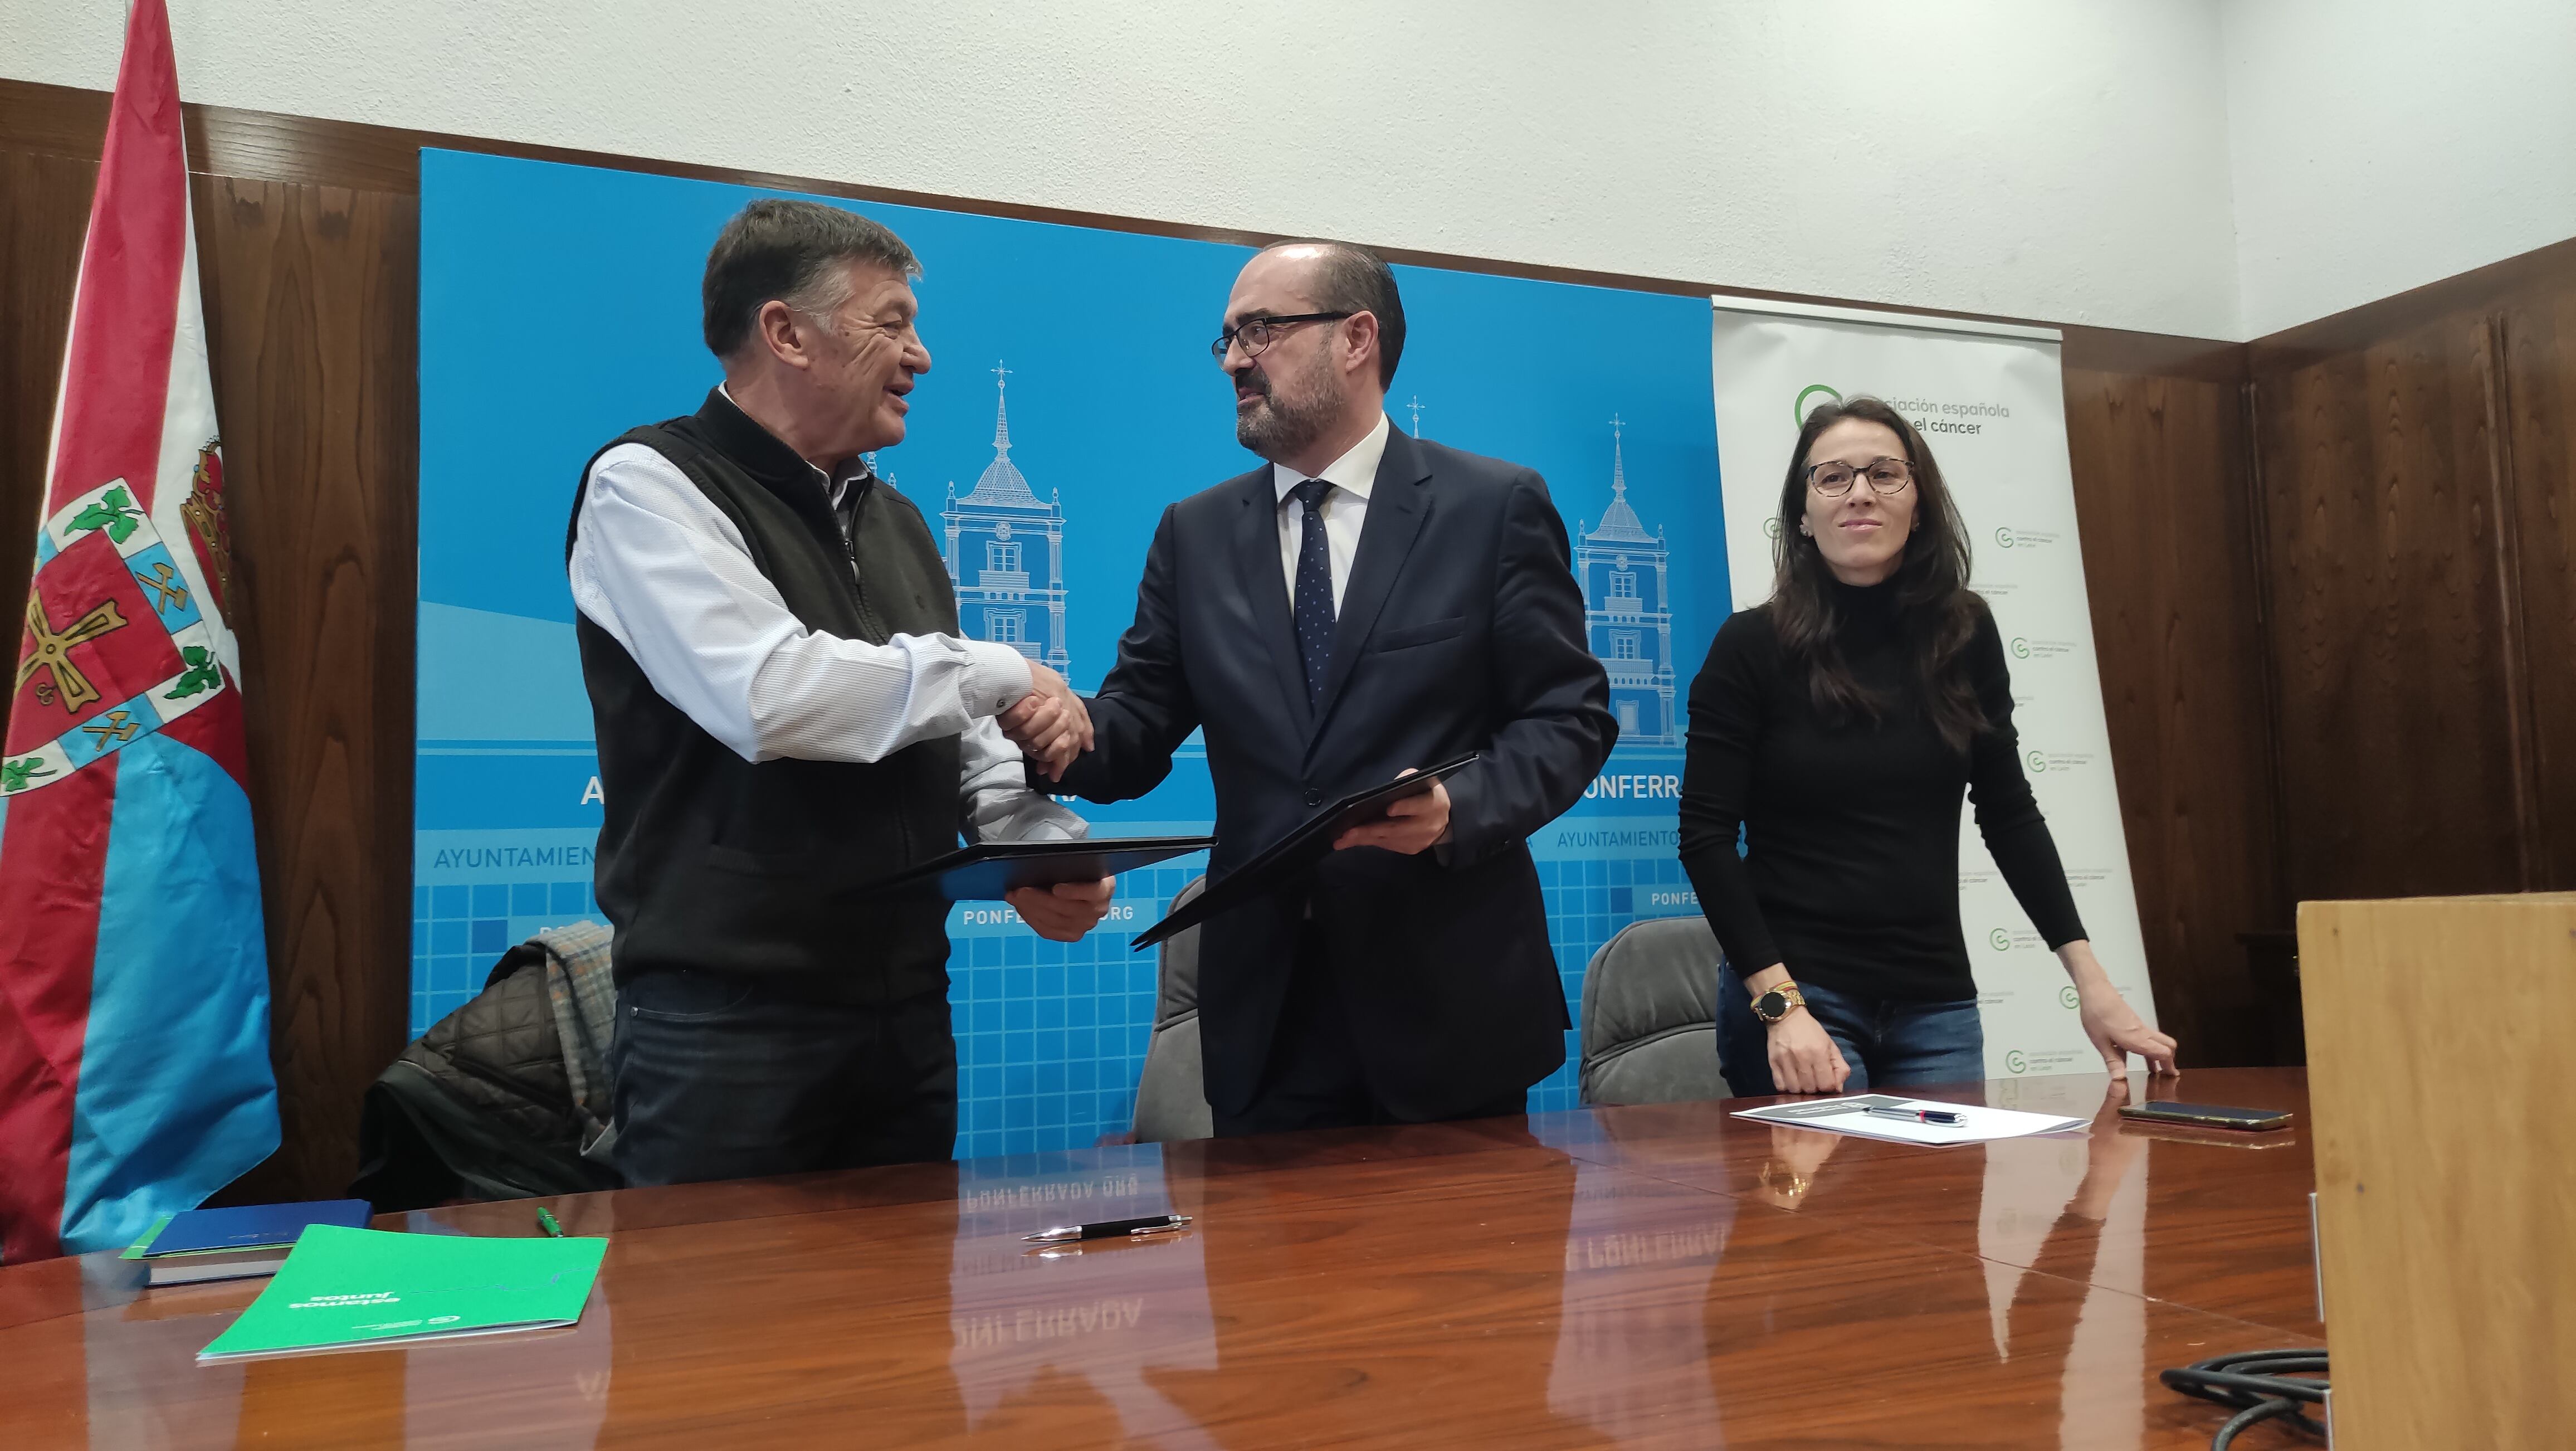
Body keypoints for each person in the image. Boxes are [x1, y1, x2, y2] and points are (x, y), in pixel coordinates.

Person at [566, 198, 1113, 1185]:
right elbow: (769, 691)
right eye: (892, 322)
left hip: (904, 1014)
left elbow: (967, 747)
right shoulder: (646, 486)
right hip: (725, 1030)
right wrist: (1003, 670)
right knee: (717, 1331)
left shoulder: (897, 517)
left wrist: (1034, 849)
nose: (923, 355)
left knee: (903, 1331)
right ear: (786, 332)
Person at [1053, 240, 1617, 1134]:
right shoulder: (1193, 535)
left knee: (1466, 1279)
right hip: (1268, 1020)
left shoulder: (1492, 506)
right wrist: (1052, 726)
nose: (1236, 358)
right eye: (1228, 338)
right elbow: (1136, 728)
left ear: (1357, 339)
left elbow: (1569, 717)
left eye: (1262, 330)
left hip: (1449, 1008)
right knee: (1267, 1279)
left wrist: (1458, 808)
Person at [1677, 397, 2177, 1095]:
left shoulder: (1965, 636)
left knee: (1937, 1210)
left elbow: (2009, 813)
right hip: (1803, 1002)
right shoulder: (1750, 646)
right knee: (1821, 1209)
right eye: (1832, 477)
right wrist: (1779, 1006)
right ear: (1800, 514)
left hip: (1937, 1011)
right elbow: (1703, 837)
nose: (1859, 493)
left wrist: (2093, 984)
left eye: (1885, 473)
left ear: (1920, 504)